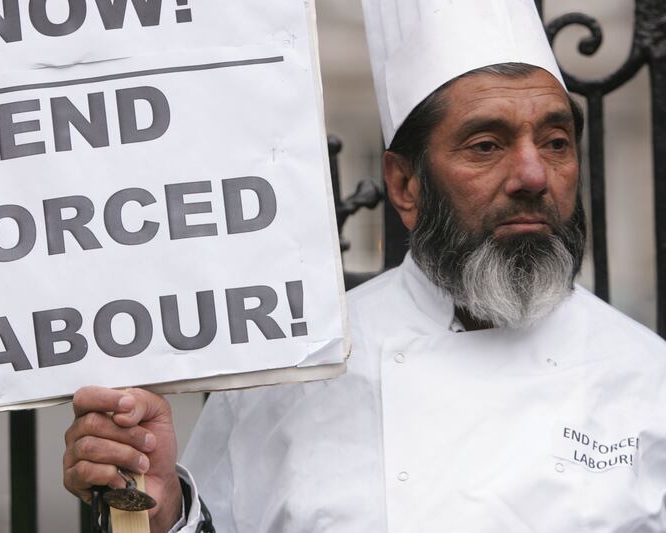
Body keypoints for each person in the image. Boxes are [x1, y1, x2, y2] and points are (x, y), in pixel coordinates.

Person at [63, 1, 666, 531]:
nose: (534, 175)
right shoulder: (297, 371)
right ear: (405, 185)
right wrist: (165, 511)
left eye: (556, 142)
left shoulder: (648, 379)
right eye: (486, 144)